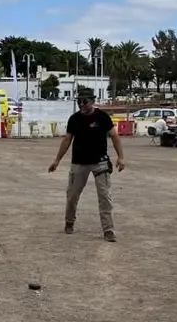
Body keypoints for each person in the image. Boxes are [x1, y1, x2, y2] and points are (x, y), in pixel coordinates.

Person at [47, 92, 126, 242]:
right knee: (72, 195)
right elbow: (67, 140)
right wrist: (57, 160)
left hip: (100, 162)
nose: (82, 105)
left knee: (104, 196)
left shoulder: (102, 117)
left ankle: (108, 229)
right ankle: (69, 221)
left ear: (92, 101)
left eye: (84, 102)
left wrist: (121, 157)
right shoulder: (74, 119)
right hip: (79, 162)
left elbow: (115, 136)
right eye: (79, 102)